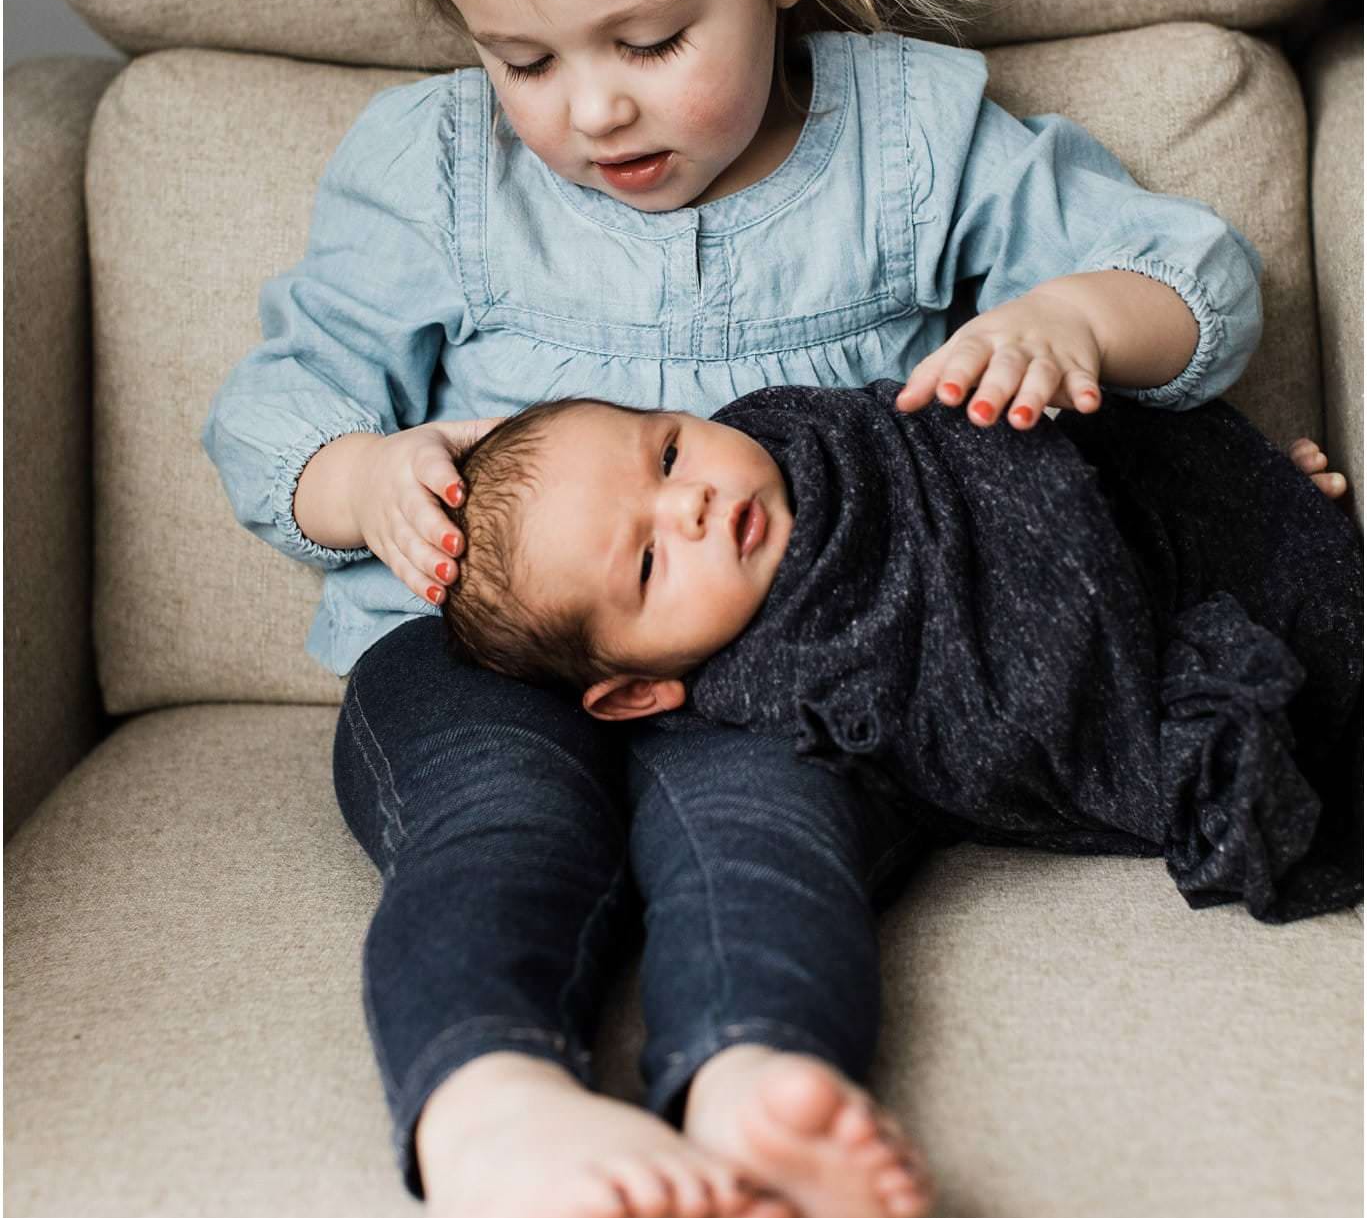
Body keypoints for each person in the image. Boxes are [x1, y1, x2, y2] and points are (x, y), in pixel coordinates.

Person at [201, 0, 1319, 1218]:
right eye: (522, 59)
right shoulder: (429, 172)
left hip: (818, 673)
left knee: (763, 831)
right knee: (494, 811)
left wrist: (1073, 318)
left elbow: (1198, 286)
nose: (591, 109)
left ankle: (759, 1101)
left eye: (649, 36)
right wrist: (358, 476)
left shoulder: (912, 139)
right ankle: (494, 1114)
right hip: (478, 643)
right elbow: (269, 412)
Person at [437, 383, 1362, 928]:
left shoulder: (813, 432)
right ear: (638, 690)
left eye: (670, 452)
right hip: (1142, 644)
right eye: (647, 561)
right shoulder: (787, 688)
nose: (691, 505)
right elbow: (980, 732)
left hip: (1140, 514)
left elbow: (987, 428)